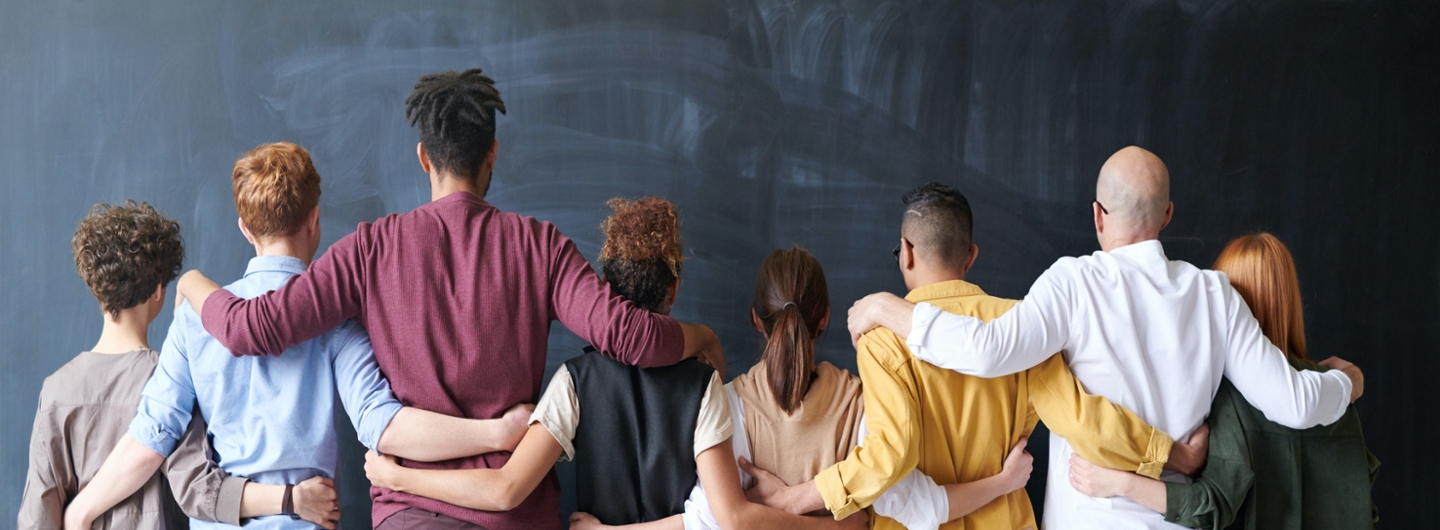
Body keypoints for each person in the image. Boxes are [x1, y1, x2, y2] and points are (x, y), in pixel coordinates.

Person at [173, 69, 724, 530]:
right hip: (515, 516)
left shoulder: (370, 248)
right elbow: (631, 338)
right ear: (492, 155)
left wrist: (191, 282)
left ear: (422, 158)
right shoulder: (541, 246)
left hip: (409, 514)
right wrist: (702, 336)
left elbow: (250, 329)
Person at [845, 147, 1364, 529]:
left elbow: (987, 350)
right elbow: (1295, 404)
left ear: (1096, 215)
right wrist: (1346, 382)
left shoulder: (1071, 283)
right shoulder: (1216, 294)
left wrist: (883, 306)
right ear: (1167, 215)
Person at [61, 143, 534, 529]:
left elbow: (150, 440)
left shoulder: (193, 320)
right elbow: (382, 426)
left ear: (246, 229)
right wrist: (497, 432)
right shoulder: (338, 322)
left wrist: (80, 512)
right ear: (314, 218)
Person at [363, 198, 864, 530]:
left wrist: (400, 478)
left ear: (604, 292)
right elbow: (727, 516)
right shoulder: (706, 386)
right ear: (674, 290)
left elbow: (506, 488)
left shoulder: (575, 382)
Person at [740, 183, 1205, 530]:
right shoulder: (1022, 327)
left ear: (905, 253)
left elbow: (888, 455)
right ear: (972, 255)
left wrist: (794, 499)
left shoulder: (882, 341)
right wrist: (1170, 456)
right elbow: (1082, 421)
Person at [20, 201, 305, 529]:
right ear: (158, 290)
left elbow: (39, 511)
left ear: (97, 289)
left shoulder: (57, 389)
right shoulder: (170, 377)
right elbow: (199, 490)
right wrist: (291, 498)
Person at [1068, 232, 1380, 530]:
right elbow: (1363, 504)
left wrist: (1120, 482)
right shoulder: (1334, 395)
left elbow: (1211, 505)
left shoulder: (1228, 396)